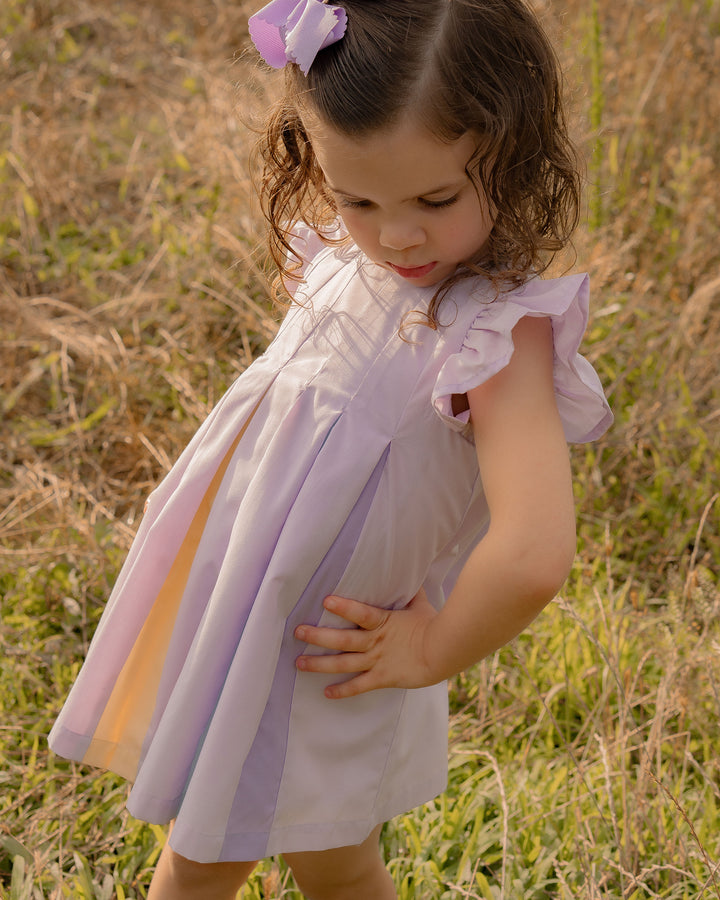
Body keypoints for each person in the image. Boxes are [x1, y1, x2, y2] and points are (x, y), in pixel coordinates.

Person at [49, 0, 613, 897]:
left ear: (515, 156)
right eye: (358, 199)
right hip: (247, 611)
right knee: (336, 863)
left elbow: (535, 550)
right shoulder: (355, 265)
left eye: (435, 199)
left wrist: (430, 652)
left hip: (320, 653)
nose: (397, 236)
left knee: (203, 857)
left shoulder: (500, 335)